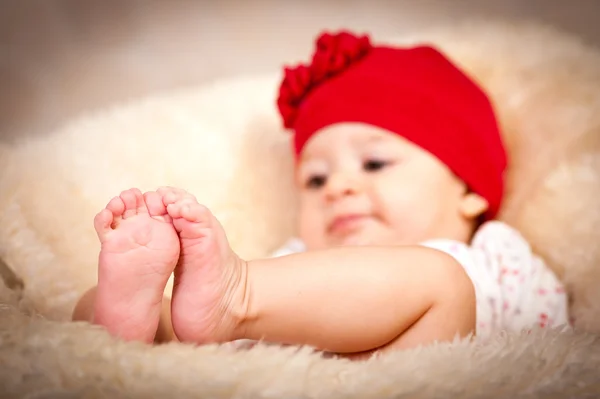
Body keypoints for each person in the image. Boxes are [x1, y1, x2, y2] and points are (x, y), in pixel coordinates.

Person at [72, 30, 570, 359]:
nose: (339, 187)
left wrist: (240, 291)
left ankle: (233, 303)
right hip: (284, 365)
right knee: (117, 305)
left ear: (469, 192)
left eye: (375, 163)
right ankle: (124, 322)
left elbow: (549, 353)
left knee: (442, 279)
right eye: (315, 179)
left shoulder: (496, 255)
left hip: (412, 367)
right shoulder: (296, 262)